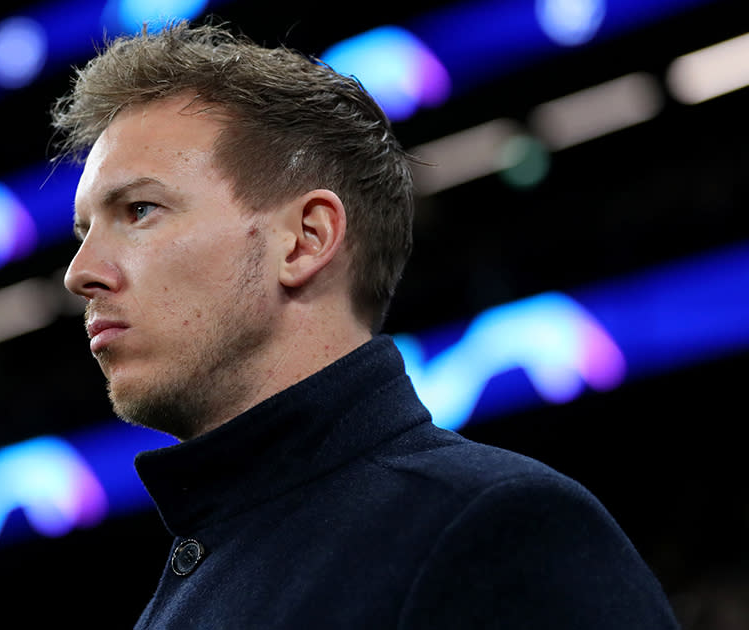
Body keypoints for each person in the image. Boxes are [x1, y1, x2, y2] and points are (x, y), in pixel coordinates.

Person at [52, 21, 680, 629]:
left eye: (139, 210)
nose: (79, 274)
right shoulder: (201, 564)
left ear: (305, 240)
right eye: (83, 233)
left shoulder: (494, 527)